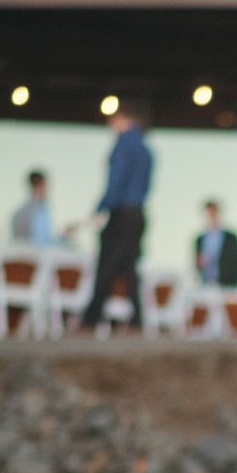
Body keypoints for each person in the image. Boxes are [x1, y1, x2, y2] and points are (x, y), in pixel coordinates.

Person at [81, 101, 153, 333]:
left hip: (122, 214)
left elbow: (117, 181)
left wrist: (102, 207)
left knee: (107, 265)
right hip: (137, 215)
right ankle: (136, 321)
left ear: (123, 118)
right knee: (129, 268)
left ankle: (90, 320)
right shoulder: (146, 149)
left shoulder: (124, 144)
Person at [194, 200, 237, 288]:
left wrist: (234, 286)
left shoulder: (231, 238)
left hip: (226, 285)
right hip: (206, 284)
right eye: (208, 213)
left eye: (213, 213)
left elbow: (236, 263)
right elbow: (197, 265)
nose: (210, 216)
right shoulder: (200, 239)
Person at [10, 170, 56, 245]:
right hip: (33, 253)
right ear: (40, 185)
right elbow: (40, 241)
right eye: (46, 185)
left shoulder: (22, 210)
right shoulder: (35, 210)